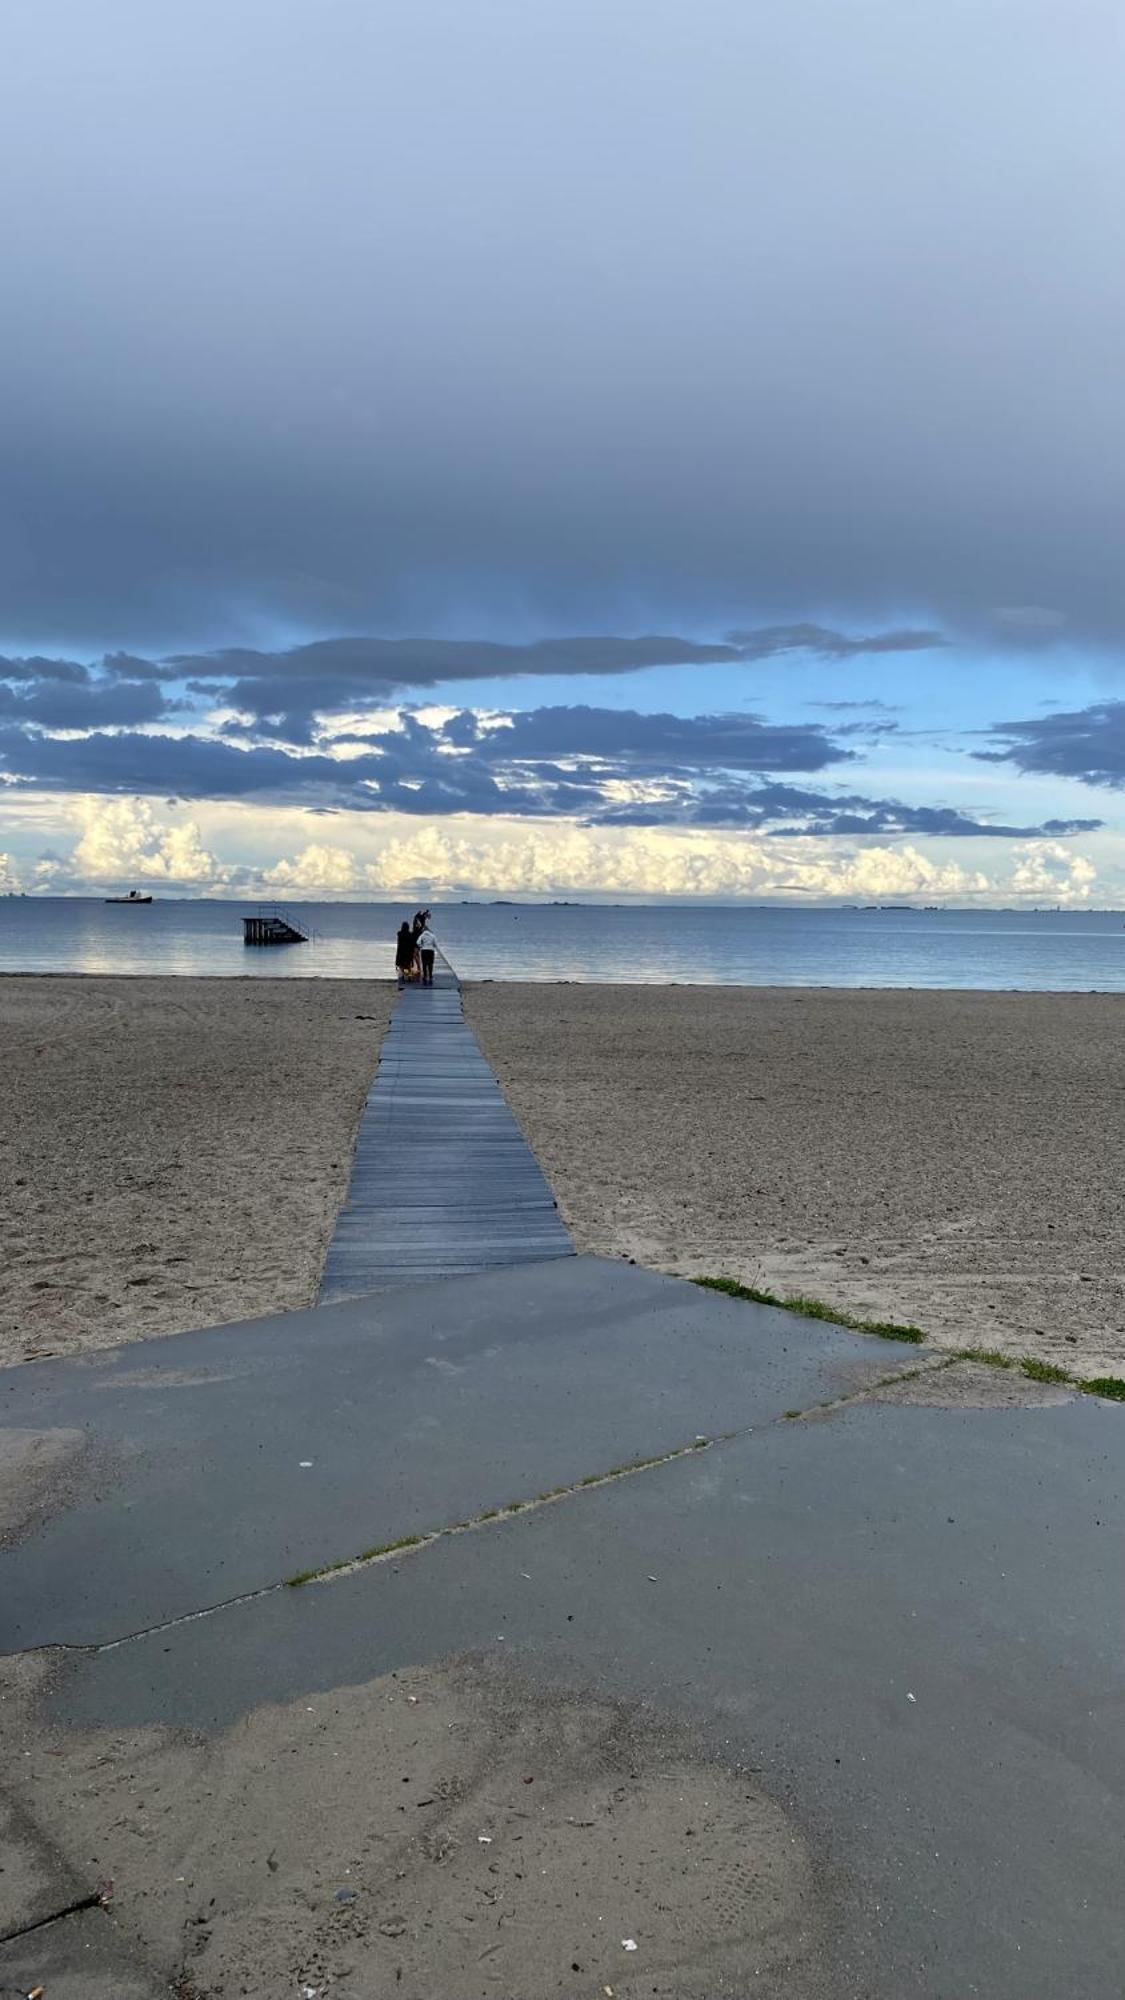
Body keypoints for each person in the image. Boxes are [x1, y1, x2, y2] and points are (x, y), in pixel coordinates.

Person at [395, 920, 415, 989]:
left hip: (401, 951)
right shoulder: (410, 935)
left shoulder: (400, 934)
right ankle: (409, 976)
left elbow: (398, 944)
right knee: (408, 965)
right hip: (408, 952)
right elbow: (412, 944)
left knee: (401, 965)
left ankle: (403, 976)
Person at [418, 919, 437, 986]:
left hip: (424, 951)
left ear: (423, 930)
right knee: (430, 964)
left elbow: (418, 942)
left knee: (424, 964)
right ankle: (431, 976)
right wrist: (432, 946)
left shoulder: (422, 935)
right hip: (431, 951)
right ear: (428, 930)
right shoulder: (433, 935)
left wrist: (421, 946)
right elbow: (435, 944)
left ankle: (425, 976)